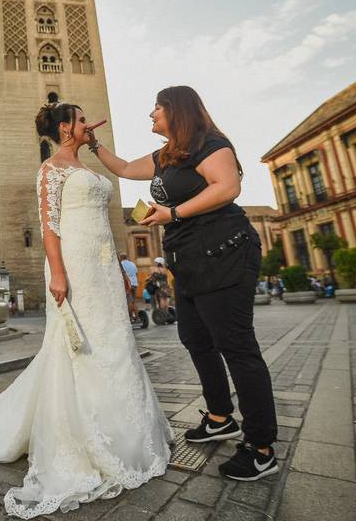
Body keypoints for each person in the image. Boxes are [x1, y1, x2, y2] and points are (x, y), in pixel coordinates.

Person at [0, 101, 172, 518]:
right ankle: (85, 437)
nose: (86, 123)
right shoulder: (50, 169)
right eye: (79, 120)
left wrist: (118, 268)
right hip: (73, 265)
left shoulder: (89, 167)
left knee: (114, 342)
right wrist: (57, 273)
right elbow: (49, 225)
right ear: (63, 128)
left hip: (101, 266)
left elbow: (106, 212)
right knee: (81, 346)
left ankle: (126, 431)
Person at [89, 85, 279, 482]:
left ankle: (261, 448)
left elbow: (227, 188)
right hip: (191, 263)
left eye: (157, 108)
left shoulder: (210, 144)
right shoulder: (166, 156)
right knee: (196, 338)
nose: (152, 115)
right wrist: (93, 144)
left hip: (225, 255)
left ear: (178, 111)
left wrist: (172, 212)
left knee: (237, 348)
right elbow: (123, 167)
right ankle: (220, 416)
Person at [119, 253, 139, 319]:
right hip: (134, 283)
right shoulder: (132, 263)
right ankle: (137, 316)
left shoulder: (121, 264)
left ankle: (130, 316)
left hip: (127, 284)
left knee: (129, 301)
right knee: (133, 301)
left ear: (121, 258)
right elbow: (136, 273)